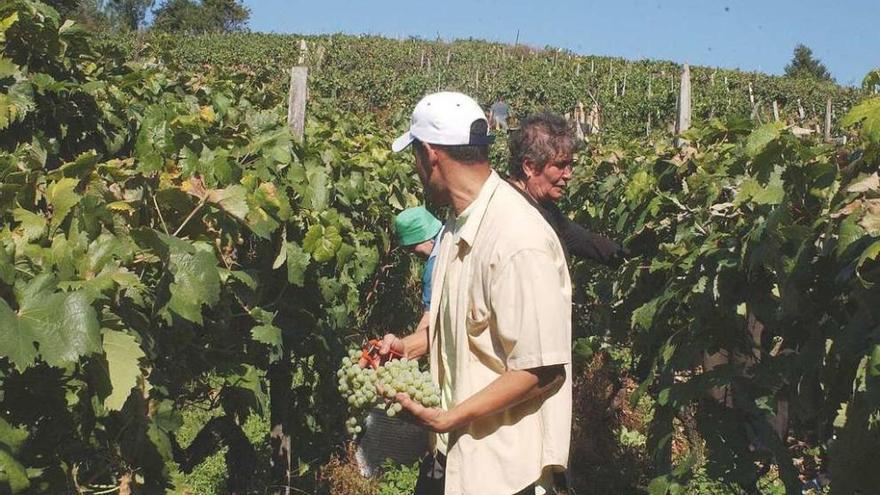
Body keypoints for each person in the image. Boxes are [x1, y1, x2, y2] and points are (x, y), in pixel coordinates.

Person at [381, 91, 572, 495]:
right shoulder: (456, 226)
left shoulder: (518, 240)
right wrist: (406, 348)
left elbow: (542, 370)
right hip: (453, 460)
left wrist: (449, 418)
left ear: (431, 154)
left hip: (502, 474)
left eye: (415, 157)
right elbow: (457, 328)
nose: (416, 169)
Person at [507, 111, 627, 266]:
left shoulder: (544, 208)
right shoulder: (516, 218)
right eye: (560, 165)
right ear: (530, 166)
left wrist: (628, 257)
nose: (569, 174)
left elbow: (583, 240)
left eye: (570, 165)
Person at [394, 206, 443, 338]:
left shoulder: (435, 265)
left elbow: (430, 316)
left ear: (426, 237)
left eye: (412, 247)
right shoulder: (454, 233)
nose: (412, 253)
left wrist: (407, 351)